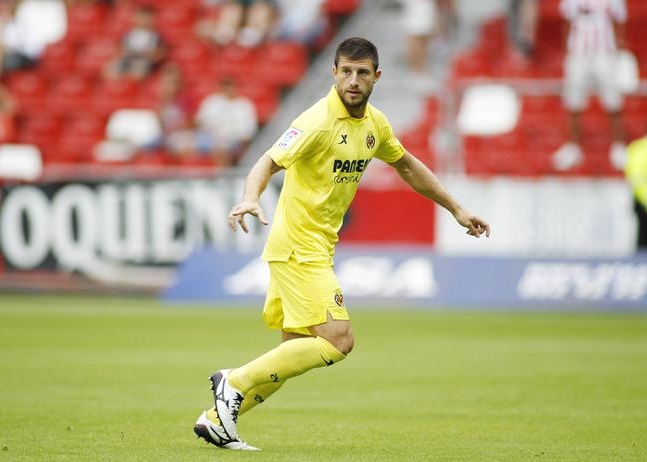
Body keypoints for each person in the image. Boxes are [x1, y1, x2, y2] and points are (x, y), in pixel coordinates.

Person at [193, 37, 491, 451]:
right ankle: (233, 381)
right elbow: (267, 160)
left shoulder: (375, 125)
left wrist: (456, 209)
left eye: (362, 73)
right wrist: (249, 197)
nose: (353, 80)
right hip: (299, 247)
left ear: (376, 77)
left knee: (295, 351)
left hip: (313, 247)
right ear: (333, 73)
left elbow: (405, 164)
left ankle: (216, 422)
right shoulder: (316, 121)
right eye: (346, 71)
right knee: (339, 340)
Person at [552, 0, 628, 171]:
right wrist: (566, 49)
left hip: (604, 53)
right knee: (573, 102)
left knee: (613, 100)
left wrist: (619, 48)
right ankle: (573, 146)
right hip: (578, 53)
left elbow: (620, 19)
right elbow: (567, 20)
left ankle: (618, 145)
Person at [625, 134, 647, 250]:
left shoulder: (636, 148)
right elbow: (637, 179)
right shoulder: (637, 149)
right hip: (642, 203)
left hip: (641, 201)